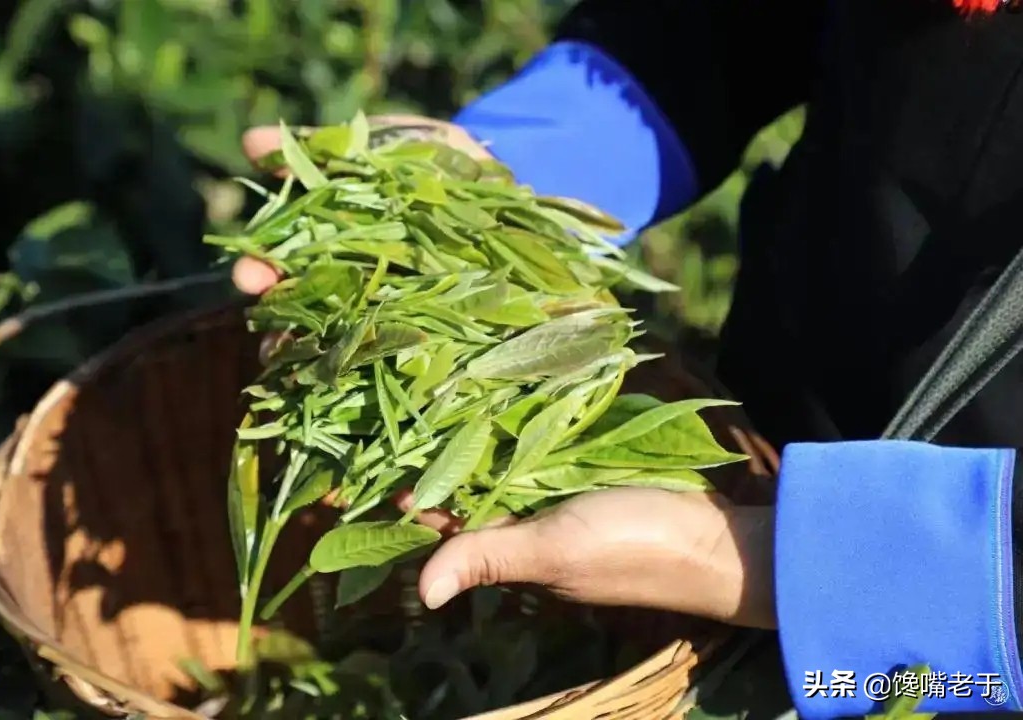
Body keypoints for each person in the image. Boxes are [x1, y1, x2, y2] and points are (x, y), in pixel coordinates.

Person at [231, 1, 1023, 716]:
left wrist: (761, 559)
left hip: (974, 630)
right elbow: (730, 25)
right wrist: (516, 182)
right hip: (770, 418)